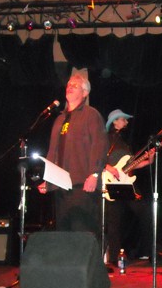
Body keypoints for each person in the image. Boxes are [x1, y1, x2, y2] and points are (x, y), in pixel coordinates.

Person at [37, 74, 108, 236]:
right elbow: (52, 152)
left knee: (82, 233)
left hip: (82, 184)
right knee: (64, 234)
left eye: (75, 85)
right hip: (61, 186)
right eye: (68, 85)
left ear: (85, 93)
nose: (69, 87)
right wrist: (48, 180)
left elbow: (100, 145)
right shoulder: (60, 119)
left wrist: (94, 174)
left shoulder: (91, 115)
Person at [103, 109, 154, 263]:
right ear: (114, 121)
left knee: (145, 212)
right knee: (114, 221)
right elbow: (96, 158)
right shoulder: (106, 139)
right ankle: (113, 257)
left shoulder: (124, 143)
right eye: (123, 119)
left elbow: (132, 165)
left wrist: (149, 160)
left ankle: (147, 252)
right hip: (111, 181)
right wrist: (109, 168)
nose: (126, 122)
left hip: (126, 182)